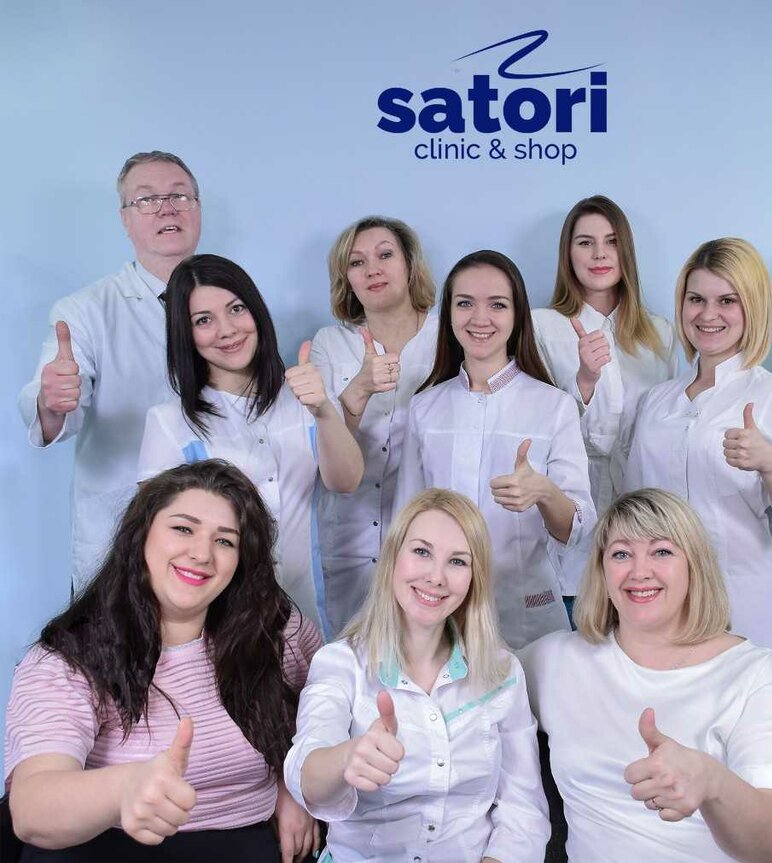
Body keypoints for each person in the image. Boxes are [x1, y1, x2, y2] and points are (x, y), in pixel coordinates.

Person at [4, 460, 323, 862]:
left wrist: (292, 785)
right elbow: (32, 810)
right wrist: (125, 789)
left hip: (244, 842)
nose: (202, 554)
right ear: (141, 535)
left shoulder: (276, 632)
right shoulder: (69, 659)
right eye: (183, 529)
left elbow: (323, 719)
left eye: (225, 541)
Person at [519, 488, 772, 863]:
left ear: (694, 566)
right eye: (621, 554)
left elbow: (765, 845)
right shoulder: (556, 661)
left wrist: (711, 780)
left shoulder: (754, 674)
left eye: (662, 552)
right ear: (601, 571)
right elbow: (473, 675)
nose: (639, 571)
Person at [283, 488, 549, 863]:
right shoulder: (340, 663)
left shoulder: (503, 673)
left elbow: (523, 811)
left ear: (474, 578)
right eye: (422, 552)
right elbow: (307, 777)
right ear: (393, 557)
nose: (436, 577)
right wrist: (347, 758)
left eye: (457, 561)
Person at [622, 238, 772, 674]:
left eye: (727, 301)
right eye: (696, 299)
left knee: (746, 712)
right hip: (661, 600)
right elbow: (634, 508)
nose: (708, 314)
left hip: (742, 599)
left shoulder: (771, 393)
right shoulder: (657, 402)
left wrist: (770, 461)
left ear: (752, 307)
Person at [138, 254, 364, 630]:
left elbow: (346, 481)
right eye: (203, 320)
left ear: (256, 311)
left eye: (236, 308)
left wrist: (324, 410)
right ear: (185, 334)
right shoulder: (169, 422)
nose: (227, 330)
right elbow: (157, 546)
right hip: (217, 625)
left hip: (306, 613)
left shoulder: (306, 396)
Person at [19, 151, 202, 589]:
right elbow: (54, 409)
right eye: (147, 199)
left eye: (180, 196)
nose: (167, 208)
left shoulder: (234, 304)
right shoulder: (84, 310)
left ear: (198, 209)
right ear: (125, 219)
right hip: (120, 532)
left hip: (211, 537)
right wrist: (52, 402)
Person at [396, 250, 596, 649]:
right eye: (465, 303)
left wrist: (544, 492)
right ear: (448, 314)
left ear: (517, 315)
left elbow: (578, 528)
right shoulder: (424, 408)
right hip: (439, 612)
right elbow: (406, 521)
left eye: (497, 305)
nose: (480, 318)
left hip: (526, 613)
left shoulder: (554, 406)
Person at [310, 216, 439, 636]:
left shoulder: (449, 337)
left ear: (410, 264)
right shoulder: (330, 344)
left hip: (429, 544)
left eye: (385, 255)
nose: (373, 270)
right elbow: (321, 452)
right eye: (357, 262)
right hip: (347, 543)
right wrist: (359, 388)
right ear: (346, 278)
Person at [533, 194, 676, 514]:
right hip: (567, 498)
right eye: (585, 243)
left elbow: (663, 427)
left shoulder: (660, 333)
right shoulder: (541, 327)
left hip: (641, 501)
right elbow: (533, 425)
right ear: (568, 254)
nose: (599, 253)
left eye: (612, 241)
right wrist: (584, 381)